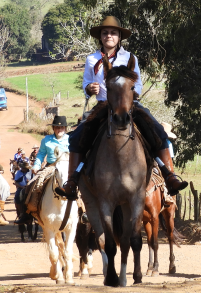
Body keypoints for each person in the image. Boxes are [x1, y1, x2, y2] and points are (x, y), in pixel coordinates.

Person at [56, 16, 188, 199]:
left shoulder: (130, 57)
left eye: (113, 33)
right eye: (105, 33)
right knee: (77, 137)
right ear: (100, 37)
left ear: (119, 37)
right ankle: (72, 182)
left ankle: (169, 175)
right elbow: (87, 83)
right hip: (102, 105)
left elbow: (139, 84)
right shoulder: (91, 59)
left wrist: (130, 94)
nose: (109, 35)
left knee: (157, 131)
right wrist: (89, 88)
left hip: (130, 105)